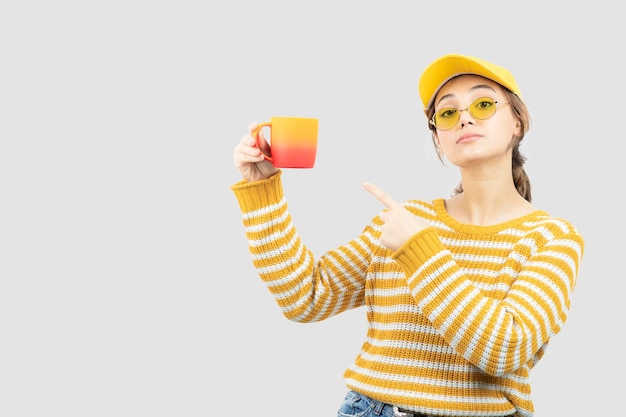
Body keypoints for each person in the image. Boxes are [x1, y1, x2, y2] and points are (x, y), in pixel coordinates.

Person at [230, 53, 585, 417]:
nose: (464, 117)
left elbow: (503, 349)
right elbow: (304, 297)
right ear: (438, 138)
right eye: (447, 113)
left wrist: (420, 251)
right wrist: (263, 189)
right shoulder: (406, 220)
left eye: (482, 104)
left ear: (517, 122)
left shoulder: (552, 238)